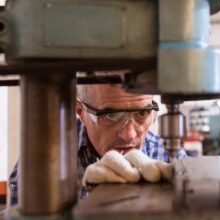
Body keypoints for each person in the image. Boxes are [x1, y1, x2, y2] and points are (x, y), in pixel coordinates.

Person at [8, 70, 186, 205]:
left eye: (142, 113)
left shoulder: (170, 157)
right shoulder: (41, 166)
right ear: (81, 112)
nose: (129, 135)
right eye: (111, 116)